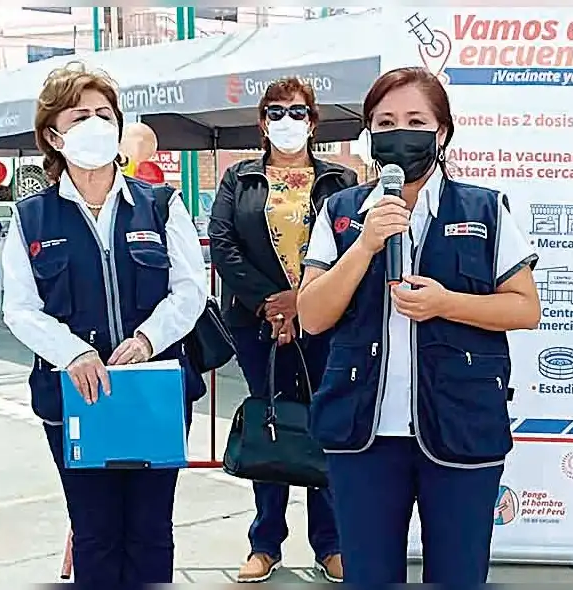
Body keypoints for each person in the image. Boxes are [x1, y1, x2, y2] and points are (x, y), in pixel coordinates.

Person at [297, 66, 541, 585]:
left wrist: (447, 303)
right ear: (368, 135)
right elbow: (312, 316)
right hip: (363, 432)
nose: (399, 132)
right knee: (369, 576)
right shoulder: (340, 211)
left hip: (461, 424)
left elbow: (525, 308)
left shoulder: (484, 207)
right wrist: (364, 244)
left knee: (458, 574)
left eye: (414, 120)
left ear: (442, 133)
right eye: (385, 121)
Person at [1, 62, 207, 586]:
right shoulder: (31, 217)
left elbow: (190, 290)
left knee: (150, 528)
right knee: (93, 530)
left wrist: (146, 339)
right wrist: (71, 351)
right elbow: (21, 308)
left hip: (153, 391)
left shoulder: (161, 205)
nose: (95, 123)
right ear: (53, 133)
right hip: (74, 394)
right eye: (80, 115)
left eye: (104, 113)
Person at [208, 76, 357, 584]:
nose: (286, 121)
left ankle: (331, 543)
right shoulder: (239, 178)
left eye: (298, 112)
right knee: (270, 423)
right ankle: (265, 542)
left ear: (313, 122)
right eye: (276, 111)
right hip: (258, 323)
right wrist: (273, 304)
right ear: (262, 122)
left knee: (323, 424)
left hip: (325, 319)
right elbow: (223, 244)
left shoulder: (340, 180)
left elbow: (351, 249)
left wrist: (305, 302)